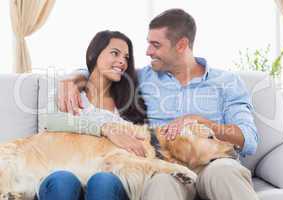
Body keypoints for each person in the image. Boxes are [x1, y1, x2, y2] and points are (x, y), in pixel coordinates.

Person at [58, 9, 259, 200]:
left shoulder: (227, 82)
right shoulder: (141, 78)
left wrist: (199, 121)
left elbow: (248, 139)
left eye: (156, 45)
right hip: (166, 165)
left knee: (225, 173)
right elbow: (105, 70)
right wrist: (74, 79)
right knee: (161, 182)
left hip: (214, 163)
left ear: (181, 45)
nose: (148, 51)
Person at [38, 30, 148, 200]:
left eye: (126, 57)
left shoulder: (129, 105)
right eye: (115, 53)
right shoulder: (69, 93)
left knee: (102, 181)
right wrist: (104, 129)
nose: (122, 61)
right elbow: (51, 121)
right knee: (63, 180)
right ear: (94, 54)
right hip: (63, 172)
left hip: (110, 177)